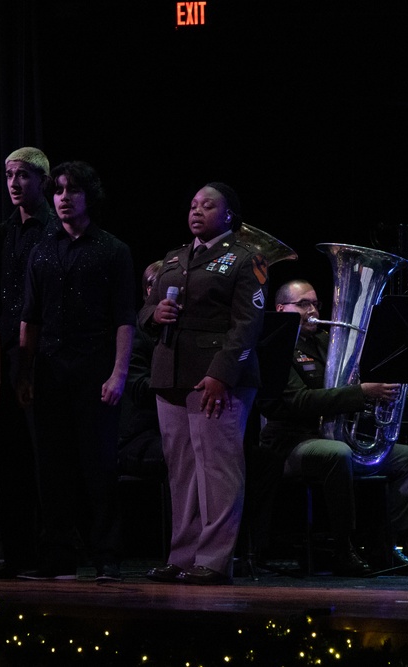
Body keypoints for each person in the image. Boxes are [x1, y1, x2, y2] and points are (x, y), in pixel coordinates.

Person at [139, 182, 266, 586]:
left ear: (229, 215)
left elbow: (248, 324)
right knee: (182, 471)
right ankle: (183, 557)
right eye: (193, 205)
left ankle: (213, 560)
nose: (196, 211)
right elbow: (144, 312)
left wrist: (221, 374)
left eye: (208, 205)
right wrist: (153, 313)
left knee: (217, 469)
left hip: (216, 378)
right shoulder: (174, 258)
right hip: (172, 374)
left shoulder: (246, 259)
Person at [17, 161, 136, 582]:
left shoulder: (112, 249)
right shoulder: (42, 250)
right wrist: (25, 373)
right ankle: (58, 556)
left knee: (99, 465)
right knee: (52, 468)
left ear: (89, 196)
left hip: (94, 370)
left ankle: (107, 556)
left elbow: (125, 317)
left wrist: (118, 373)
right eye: (59, 191)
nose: (64, 198)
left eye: (73, 190)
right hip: (50, 370)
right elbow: (29, 319)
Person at [257, 279, 408, 575]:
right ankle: (342, 548)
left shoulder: (327, 341)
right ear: (281, 309)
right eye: (303, 304)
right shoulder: (276, 345)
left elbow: (347, 386)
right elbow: (298, 401)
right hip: (292, 442)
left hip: (333, 434)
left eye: (316, 304)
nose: (313, 310)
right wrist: (361, 393)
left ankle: (388, 546)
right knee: (338, 454)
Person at [0, 147, 57, 578]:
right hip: (4, 353)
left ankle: (51, 552)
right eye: (9, 175)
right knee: (8, 459)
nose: (14, 183)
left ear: (43, 181)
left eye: (24, 175)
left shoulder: (54, 232)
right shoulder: (0, 233)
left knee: (43, 459)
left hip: (44, 354)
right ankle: (16, 554)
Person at [118, 260, 167, 479]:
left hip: (170, 431)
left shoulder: (177, 330)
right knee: (191, 457)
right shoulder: (136, 331)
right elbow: (139, 388)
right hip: (139, 436)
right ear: (150, 290)